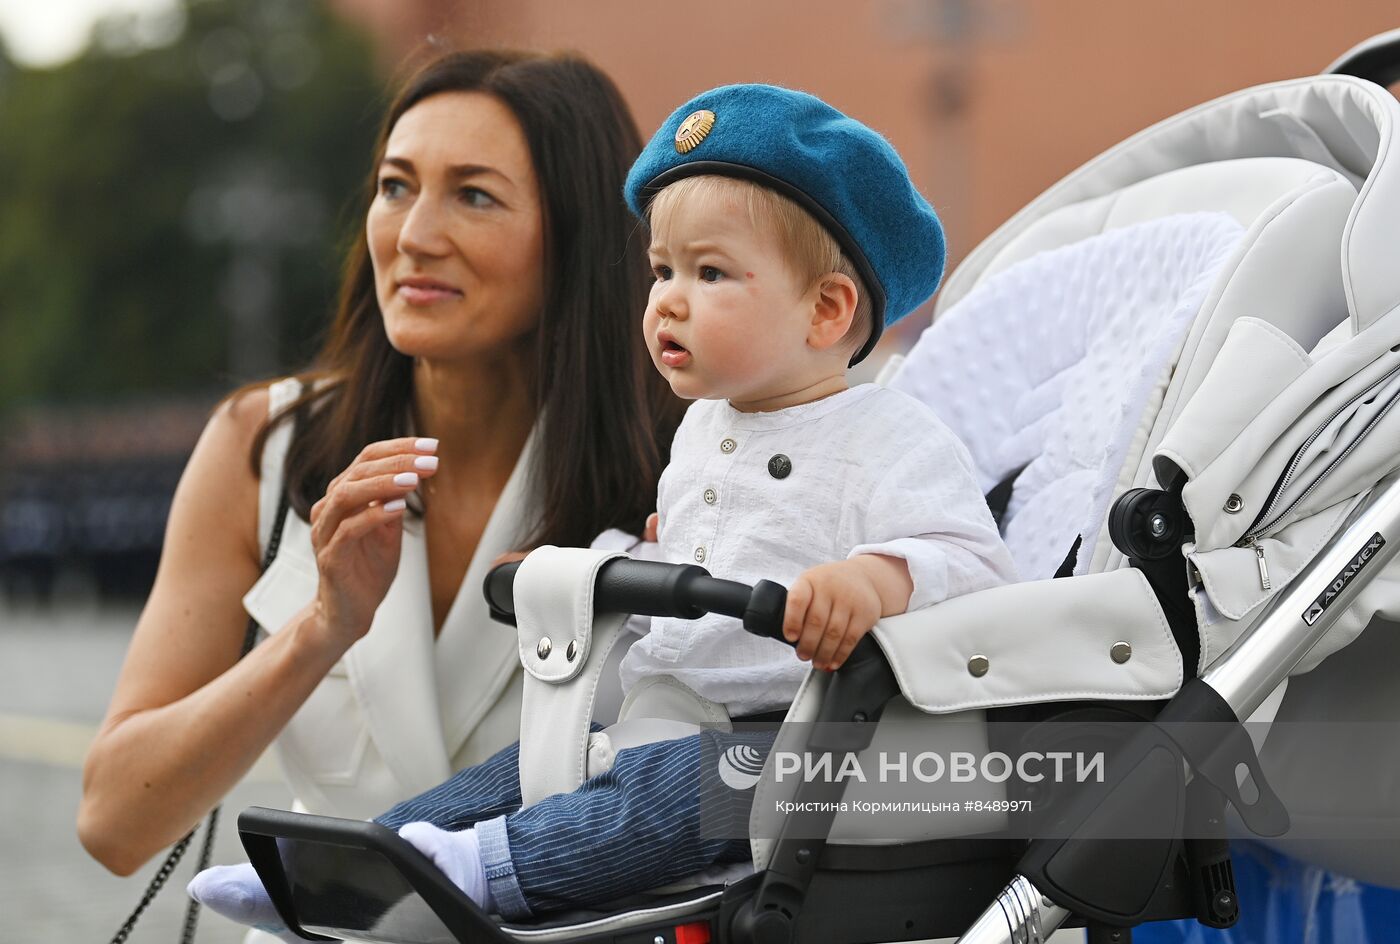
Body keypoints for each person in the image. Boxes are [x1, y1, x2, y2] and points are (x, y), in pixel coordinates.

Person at [188, 83, 1018, 934]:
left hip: (809, 744)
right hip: (677, 703)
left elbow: (976, 563)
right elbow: (686, 561)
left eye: (709, 272)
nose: (667, 298)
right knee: (525, 767)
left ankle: (481, 873)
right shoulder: (702, 430)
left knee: (655, 800)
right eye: (661, 271)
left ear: (826, 308)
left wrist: (875, 579)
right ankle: (341, 869)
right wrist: (585, 571)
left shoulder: (889, 434)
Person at [77, 48, 683, 898]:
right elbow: (113, 820)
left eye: (474, 195)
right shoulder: (268, 445)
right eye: (396, 186)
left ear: (577, 237)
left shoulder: (687, 465)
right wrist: (319, 628)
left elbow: (744, 787)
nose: (414, 235)